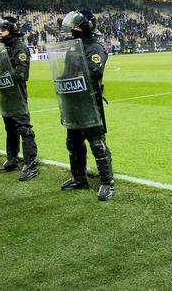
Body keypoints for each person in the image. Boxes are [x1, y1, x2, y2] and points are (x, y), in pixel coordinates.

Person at [58, 10, 114, 201]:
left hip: (90, 102)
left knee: (97, 144)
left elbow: (94, 74)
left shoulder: (95, 47)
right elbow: (66, 72)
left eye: (76, 26)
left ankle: (107, 183)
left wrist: (72, 79)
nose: (73, 30)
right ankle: (79, 177)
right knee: (73, 143)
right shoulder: (73, 47)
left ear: (86, 26)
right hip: (73, 102)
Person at [0, 17, 39, 180]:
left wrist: (3, 77)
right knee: (10, 129)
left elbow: (21, 74)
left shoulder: (19, 48)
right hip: (5, 95)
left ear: (11, 30)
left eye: (2, 30)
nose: (0, 33)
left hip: (17, 95)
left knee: (24, 129)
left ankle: (31, 165)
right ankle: (12, 160)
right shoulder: (5, 49)